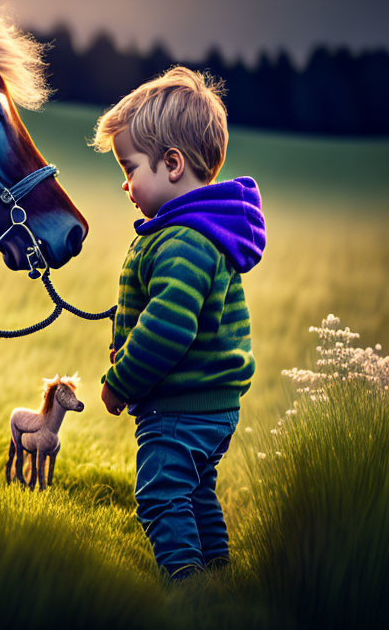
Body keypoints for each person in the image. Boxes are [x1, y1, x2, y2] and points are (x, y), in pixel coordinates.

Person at [91, 66, 266, 580]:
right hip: (212, 407)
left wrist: (119, 384)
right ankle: (219, 578)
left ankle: (187, 592)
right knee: (195, 493)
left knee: (161, 497)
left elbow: (168, 328)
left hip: (179, 408)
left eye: (129, 168)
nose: (125, 184)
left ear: (172, 164)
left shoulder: (183, 240)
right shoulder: (197, 232)